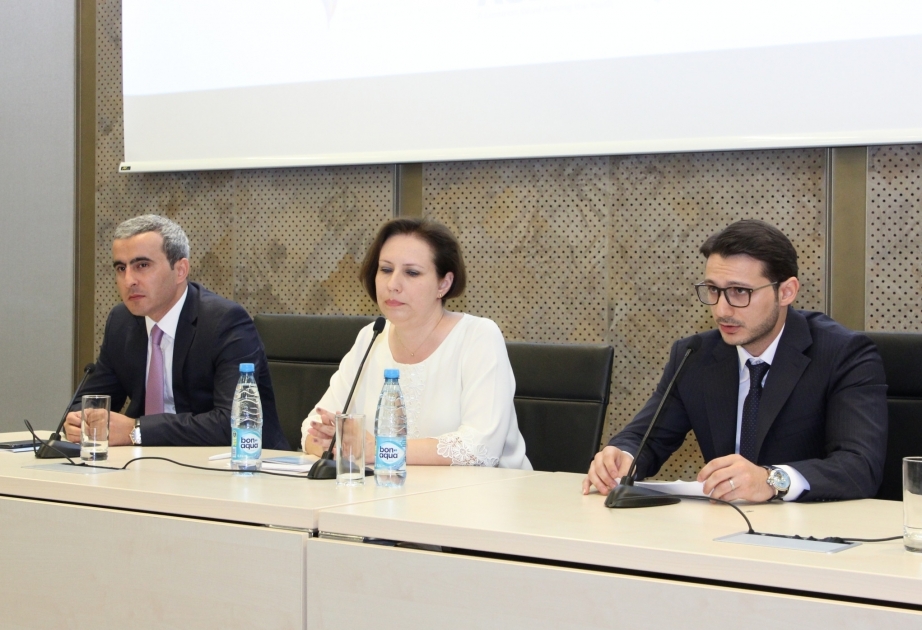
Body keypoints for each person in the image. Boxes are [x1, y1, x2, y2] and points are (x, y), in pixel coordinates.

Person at [584, 219, 887, 502]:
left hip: (815, 532)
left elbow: (859, 466)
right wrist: (621, 456)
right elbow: (646, 437)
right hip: (722, 528)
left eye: (740, 291)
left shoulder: (843, 354)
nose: (722, 310)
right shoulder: (695, 355)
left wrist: (770, 480)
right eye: (714, 290)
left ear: (786, 291)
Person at [303, 218, 531, 469]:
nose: (392, 285)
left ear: (443, 284)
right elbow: (311, 428)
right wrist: (338, 444)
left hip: (477, 500)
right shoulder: (371, 337)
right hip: (386, 499)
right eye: (386, 270)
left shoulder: (478, 337)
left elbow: (480, 448)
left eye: (411, 273)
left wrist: (377, 449)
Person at [64, 215, 289, 449]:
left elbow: (233, 423)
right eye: (121, 268)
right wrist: (80, 420)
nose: (128, 280)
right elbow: (89, 401)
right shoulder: (121, 322)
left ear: (180, 270)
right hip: (148, 467)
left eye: (142, 265)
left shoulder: (224, 322)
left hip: (239, 469)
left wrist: (136, 430)